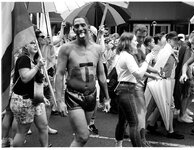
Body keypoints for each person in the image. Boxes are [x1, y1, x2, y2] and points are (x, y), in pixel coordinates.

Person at [55, 16, 111, 147]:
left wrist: (107, 98)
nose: (79, 28)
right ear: (73, 29)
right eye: (76, 26)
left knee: (82, 135)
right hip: (74, 96)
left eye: (82, 25)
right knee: (83, 136)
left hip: (91, 95)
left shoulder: (97, 48)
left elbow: (101, 75)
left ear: (88, 26)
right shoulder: (66, 48)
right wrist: (59, 100)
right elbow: (59, 74)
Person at [114, 32, 154, 147]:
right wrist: (147, 60)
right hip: (127, 90)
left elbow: (137, 71)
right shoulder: (127, 56)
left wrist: (152, 73)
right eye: (134, 40)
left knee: (123, 121)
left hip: (122, 89)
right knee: (134, 123)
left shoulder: (121, 55)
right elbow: (139, 74)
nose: (137, 42)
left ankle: (118, 145)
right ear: (128, 42)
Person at [144, 31, 184, 139]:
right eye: (174, 39)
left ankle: (149, 126)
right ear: (169, 40)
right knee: (167, 106)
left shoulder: (168, 51)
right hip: (163, 82)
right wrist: (162, 80)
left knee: (154, 106)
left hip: (164, 81)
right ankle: (170, 131)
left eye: (177, 39)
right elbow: (161, 68)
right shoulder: (166, 51)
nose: (176, 41)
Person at [10, 41, 48, 147]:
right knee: (22, 132)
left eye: (36, 43)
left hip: (35, 99)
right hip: (23, 100)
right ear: (26, 46)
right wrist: (37, 67)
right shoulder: (24, 58)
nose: (36, 45)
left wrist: (42, 97)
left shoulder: (33, 60)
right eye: (32, 43)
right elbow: (25, 78)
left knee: (43, 126)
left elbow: (35, 82)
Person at [174, 31, 194, 123]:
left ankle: (183, 113)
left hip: (184, 75)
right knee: (186, 95)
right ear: (193, 38)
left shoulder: (186, 46)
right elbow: (186, 64)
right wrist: (190, 77)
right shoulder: (187, 47)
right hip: (185, 76)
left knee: (187, 95)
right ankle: (182, 115)